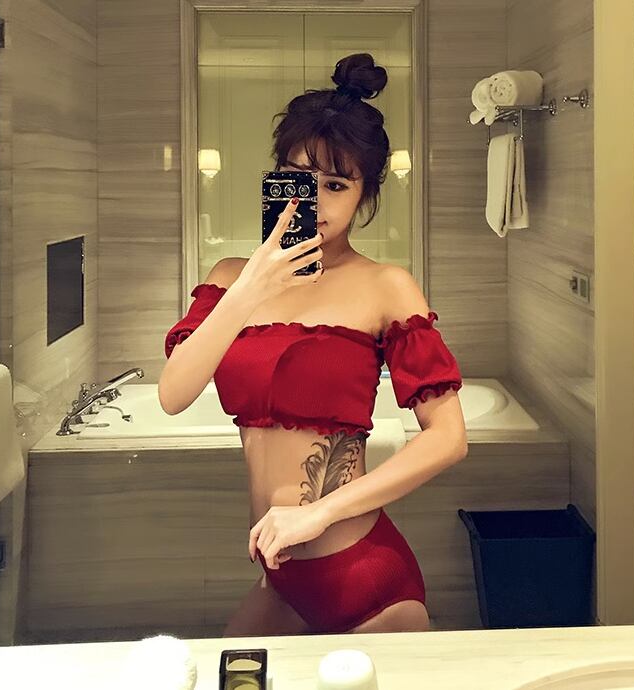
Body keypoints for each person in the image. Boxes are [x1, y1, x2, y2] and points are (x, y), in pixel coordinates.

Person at [158, 53, 468, 636]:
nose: (315, 201)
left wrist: (319, 513)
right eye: (299, 179)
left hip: (365, 579)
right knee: (230, 670)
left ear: (364, 196)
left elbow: (449, 438)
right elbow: (173, 395)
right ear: (276, 179)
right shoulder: (231, 279)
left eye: (336, 185)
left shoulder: (385, 286)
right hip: (282, 581)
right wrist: (252, 287)